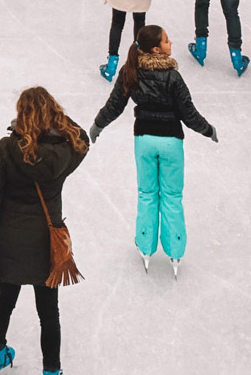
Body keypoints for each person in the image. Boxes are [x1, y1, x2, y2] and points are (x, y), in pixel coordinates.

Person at [0, 86, 88, 375]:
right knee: (48, 314)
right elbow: (82, 137)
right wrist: (57, 116)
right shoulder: (64, 151)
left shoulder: (7, 149)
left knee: (6, 298)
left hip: (8, 240)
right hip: (44, 246)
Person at [90, 24, 217, 274]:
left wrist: (97, 125)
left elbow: (115, 105)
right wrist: (208, 130)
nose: (171, 44)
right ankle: (175, 251)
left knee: (147, 194)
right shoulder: (173, 76)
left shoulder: (131, 70)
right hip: (171, 142)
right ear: (157, 49)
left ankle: (146, 245)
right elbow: (188, 114)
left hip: (145, 141)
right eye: (167, 41)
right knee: (172, 196)